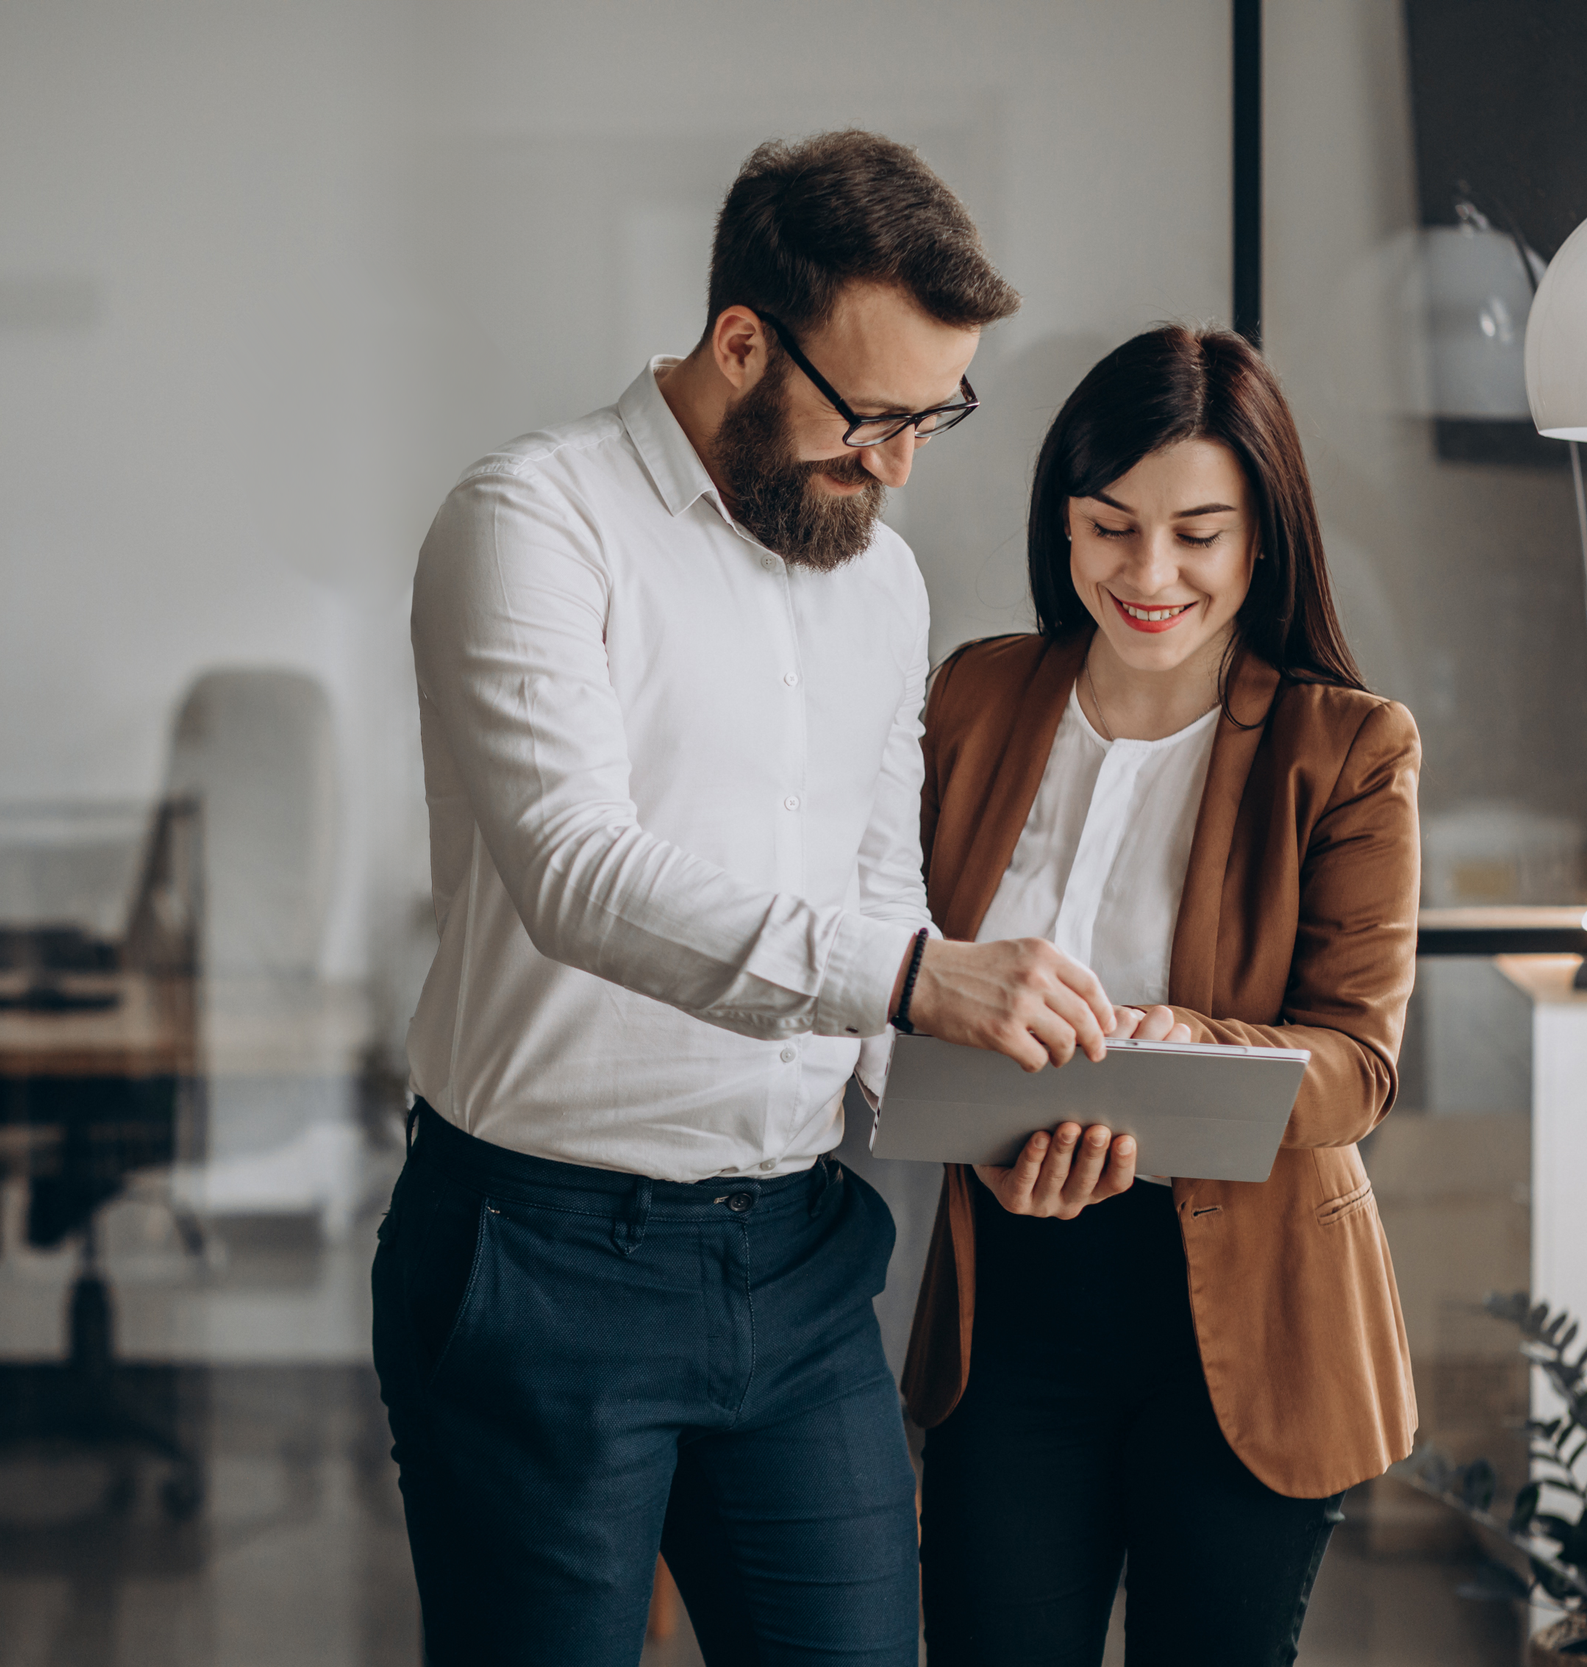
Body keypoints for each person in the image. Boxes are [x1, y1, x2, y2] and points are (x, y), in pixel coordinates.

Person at [382, 130, 1135, 1666]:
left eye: (938, 416)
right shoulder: (531, 523)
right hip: (539, 1255)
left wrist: (979, 1111)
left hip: (795, 1261)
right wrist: (923, 977)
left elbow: (872, 882)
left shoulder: (878, 578)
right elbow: (576, 873)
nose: (901, 463)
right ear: (741, 341)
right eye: (872, 414)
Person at [901, 325, 1421, 1666]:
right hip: (1011, 1305)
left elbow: (1356, 1068)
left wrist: (1192, 1041)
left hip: (1250, 1324)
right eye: (1110, 525)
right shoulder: (975, 695)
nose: (1149, 573)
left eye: (1200, 533)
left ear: (1264, 538)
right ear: (1061, 521)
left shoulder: (1348, 745)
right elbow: (894, 966)